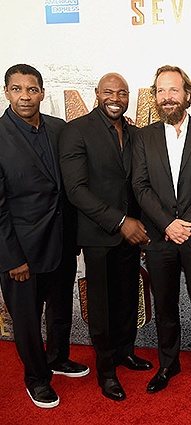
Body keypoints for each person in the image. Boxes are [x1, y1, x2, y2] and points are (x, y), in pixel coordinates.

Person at [59, 72, 154, 402]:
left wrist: (139, 226)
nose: (116, 98)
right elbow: (76, 190)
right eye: (109, 92)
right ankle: (106, 370)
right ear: (97, 93)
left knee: (127, 297)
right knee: (101, 305)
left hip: (132, 234)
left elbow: (139, 184)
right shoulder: (76, 131)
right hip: (98, 234)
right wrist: (121, 222)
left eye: (122, 93)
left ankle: (125, 352)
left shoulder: (135, 133)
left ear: (128, 97)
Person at [0, 64, 89, 409]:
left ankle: (58, 358)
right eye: (17, 89)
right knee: (26, 320)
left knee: (60, 308)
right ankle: (36, 379)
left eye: (32, 89)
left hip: (62, 241)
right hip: (21, 251)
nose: (25, 96)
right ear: (6, 92)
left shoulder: (59, 128)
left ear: (41, 92)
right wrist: (12, 258)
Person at [132, 65, 191, 394]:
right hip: (159, 237)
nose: (167, 97)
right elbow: (140, 186)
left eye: (173, 90)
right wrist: (167, 224)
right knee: (165, 306)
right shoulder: (143, 137)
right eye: (161, 91)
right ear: (155, 97)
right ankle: (168, 364)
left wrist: (187, 223)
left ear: (187, 94)